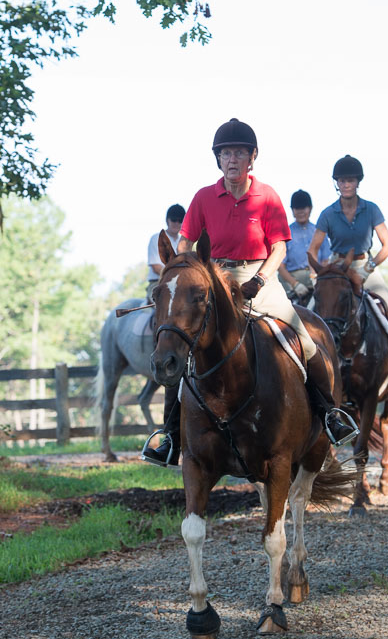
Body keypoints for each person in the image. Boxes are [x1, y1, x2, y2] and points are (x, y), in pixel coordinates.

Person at [142, 118, 358, 467]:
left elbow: (279, 249)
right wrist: (188, 272)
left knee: (303, 338)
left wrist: (259, 280)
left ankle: (330, 414)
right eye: (226, 153)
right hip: (213, 277)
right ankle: (169, 435)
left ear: (251, 158)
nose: (232, 159)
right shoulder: (202, 197)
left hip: (259, 275)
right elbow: (186, 243)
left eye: (239, 153)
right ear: (219, 159)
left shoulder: (268, 197)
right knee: (183, 345)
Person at [308, 155, 388, 392]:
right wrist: (320, 273)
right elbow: (313, 249)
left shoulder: (372, 209)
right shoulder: (327, 213)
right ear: (336, 183)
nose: (346, 184)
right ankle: (308, 365)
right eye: (342, 180)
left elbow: (387, 245)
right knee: (308, 309)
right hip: (337, 267)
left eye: (350, 180)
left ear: (358, 182)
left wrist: (368, 270)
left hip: (364, 265)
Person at [278, 189, 330, 300]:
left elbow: (326, 260)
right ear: (292, 210)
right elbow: (281, 266)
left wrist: (320, 278)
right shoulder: (285, 233)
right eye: (297, 208)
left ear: (310, 208)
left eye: (304, 208)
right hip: (293, 281)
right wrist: (295, 284)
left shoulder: (319, 231)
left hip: (317, 278)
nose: (301, 212)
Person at [146, 204, 186, 300]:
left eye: (180, 220)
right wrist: (175, 277)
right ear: (167, 220)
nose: (176, 223)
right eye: (173, 220)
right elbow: (156, 267)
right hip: (157, 283)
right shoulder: (156, 238)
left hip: (180, 284)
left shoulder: (184, 242)